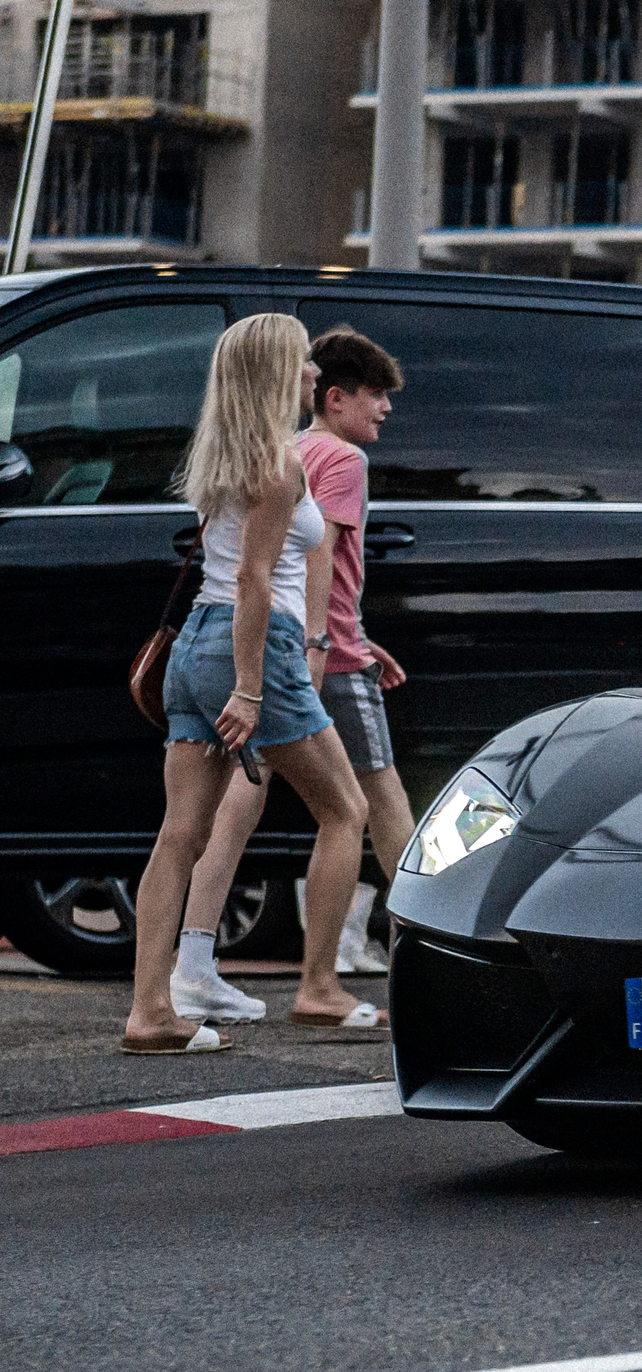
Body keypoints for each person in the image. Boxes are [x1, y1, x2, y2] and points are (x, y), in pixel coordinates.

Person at [121, 314, 377, 1054]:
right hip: (247, 644)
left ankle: (150, 1010)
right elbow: (257, 579)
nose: (312, 376)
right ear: (274, 376)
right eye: (301, 365)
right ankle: (320, 987)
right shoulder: (281, 464)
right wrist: (252, 687)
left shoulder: (220, 456)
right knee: (345, 808)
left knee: (180, 834)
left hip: (195, 642)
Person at [167, 327, 408, 1025]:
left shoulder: (286, 449)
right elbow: (319, 561)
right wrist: (327, 642)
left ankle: (193, 960)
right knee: (374, 809)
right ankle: (415, 959)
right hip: (309, 651)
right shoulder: (341, 458)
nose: (385, 409)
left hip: (271, 642)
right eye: (375, 395)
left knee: (231, 810)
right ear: (334, 398)